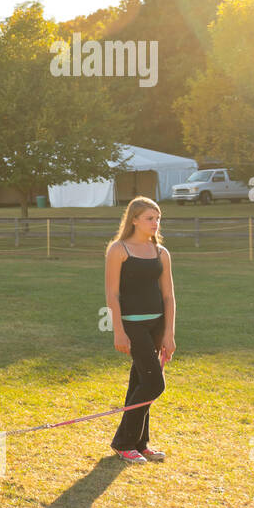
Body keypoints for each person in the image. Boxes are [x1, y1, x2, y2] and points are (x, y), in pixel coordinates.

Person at [104, 196, 175, 463]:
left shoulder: (161, 253)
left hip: (157, 325)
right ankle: (123, 442)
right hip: (132, 326)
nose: (155, 223)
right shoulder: (118, 250)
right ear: (134, 220)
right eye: (149, 218)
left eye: (158, 218)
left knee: (141, 382)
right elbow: (112, 294)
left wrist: (169, 333)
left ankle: (140, 443)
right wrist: (118, 331)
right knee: (154, 383)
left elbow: (168, 296)